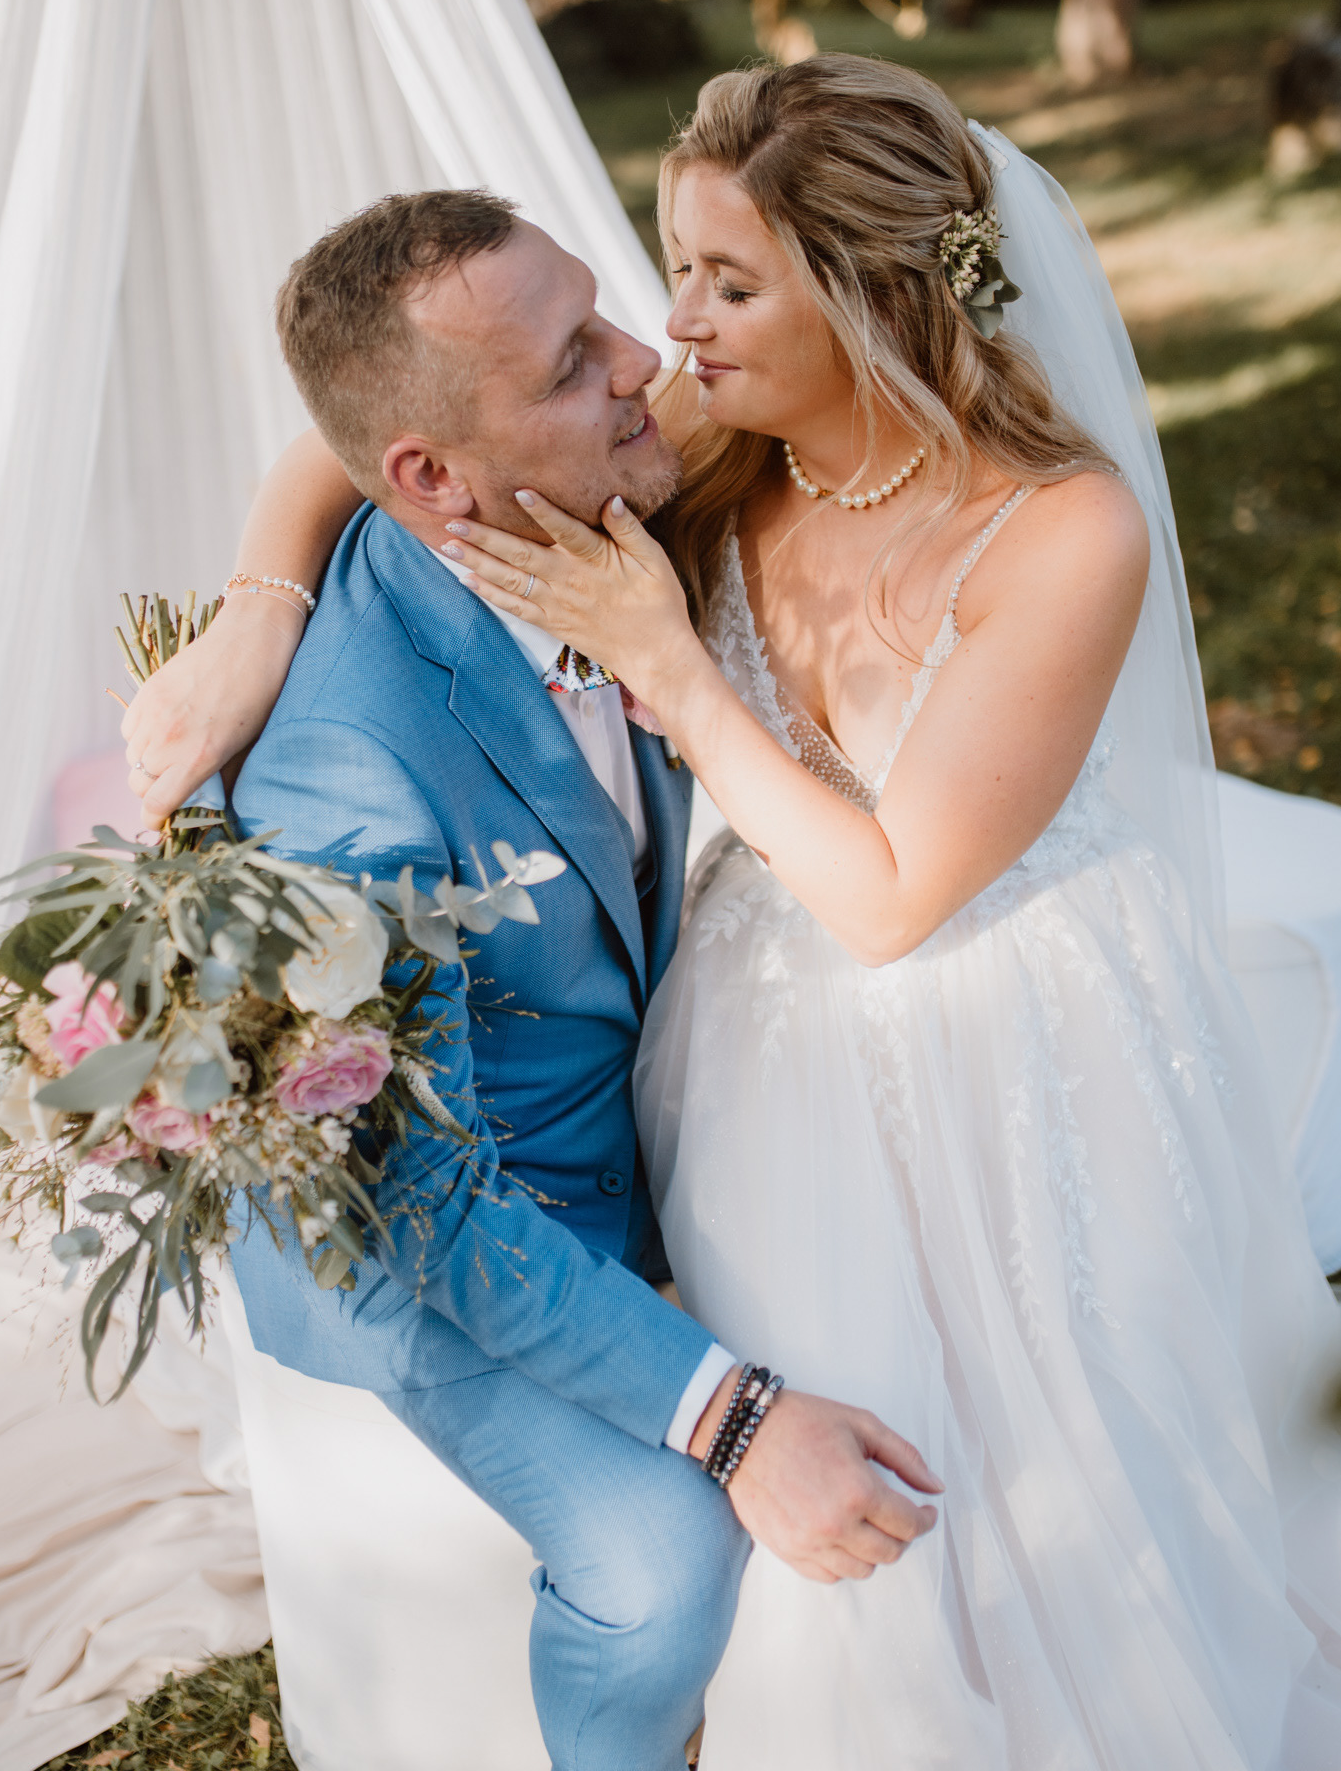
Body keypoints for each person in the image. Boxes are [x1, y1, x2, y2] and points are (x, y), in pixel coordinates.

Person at [127, 59, 1341, 1767]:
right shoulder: (713, 442)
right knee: (796, 1509)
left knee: (1059, 1437)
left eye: (723, 283)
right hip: (705, 1054)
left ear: (869, 302)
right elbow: (369, 435)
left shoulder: (1036, 524)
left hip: (984, 996)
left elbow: (892, 901)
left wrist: (667, 665)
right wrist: (260, 609)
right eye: (673, 273)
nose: (666, 335)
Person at [193, 187, 941, 1771]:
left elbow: (342, 456)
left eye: (604, 310)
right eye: (571, 362)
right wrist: (736, 1420)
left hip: (641, 1095)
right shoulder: (347, 781)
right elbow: (423, 1206)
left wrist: (258, 585)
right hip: (443, 1229)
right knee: (661, 1571)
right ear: (430, 479)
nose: (641, 358)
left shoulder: (587, 479)